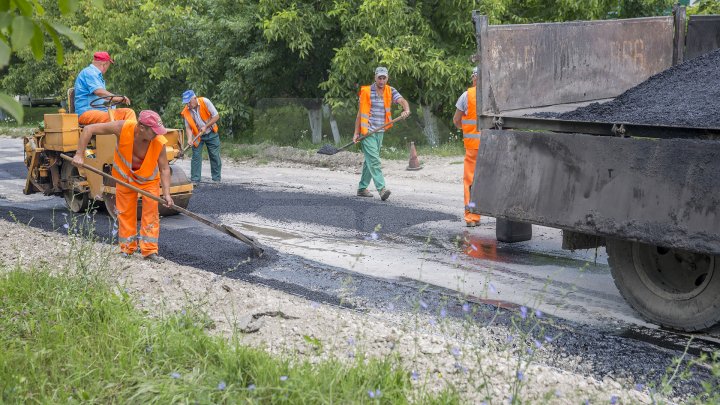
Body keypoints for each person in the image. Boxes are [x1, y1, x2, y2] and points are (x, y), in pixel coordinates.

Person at [72, 110, 173, 263]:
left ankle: (150, 251)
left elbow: (165, 168)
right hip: (125, 178)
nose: (157, 134)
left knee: (151, 214)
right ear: (141, 127)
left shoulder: (159, 141)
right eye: (153, 131)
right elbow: (89, 129)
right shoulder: (122, 128)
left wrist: (167, 194)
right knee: (125, 213)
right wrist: (80, 154)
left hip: (149, 181)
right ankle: (127, 248)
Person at [353, 66, 410, 201]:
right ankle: (382, 189)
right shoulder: (366, 91)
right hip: (367, 132)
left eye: (384, 78)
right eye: (380, 78)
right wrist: (356, 133)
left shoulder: (390, 90)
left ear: (387, 78)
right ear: (375, 77)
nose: (382, 81)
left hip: (380, 131)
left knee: (369, 160)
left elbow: (401, 100)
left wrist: (406, 109)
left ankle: (362, 188)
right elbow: (360, 114)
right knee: (374, 160)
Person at [453, 67, 482, 227]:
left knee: (471, 181)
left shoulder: (467, 96)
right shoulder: (494, 95)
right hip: (493, 146)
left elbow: (456, 120)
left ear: (474, 78)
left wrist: (464, 128)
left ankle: (472, 216)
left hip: (473, 147)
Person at [74, 51, 136, 125]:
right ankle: (132, 135)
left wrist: (113, 102)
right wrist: (118, 98)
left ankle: (127, 135)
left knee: (127, 113)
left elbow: (102, 98)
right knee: (126, 114)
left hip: (99, 112)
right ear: (104, 64)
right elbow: (99, 92)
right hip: (86, 113)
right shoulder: (89, 72)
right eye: (108, 65)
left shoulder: (96, 75)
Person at [180, 90, 222, 184]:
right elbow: (188, 127)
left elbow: (216, 116)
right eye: (186, 103)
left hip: (211, 132)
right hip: (197, 135)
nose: (188, 105)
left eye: (189, 102)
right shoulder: (186, 111)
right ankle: (195, 180)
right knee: (196, 156)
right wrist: (190, 139)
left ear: (194, 99)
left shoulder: (205, 101)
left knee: (214, 155)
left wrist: (206, 126)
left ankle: (216, 179)